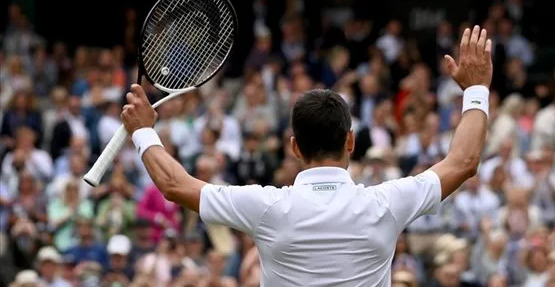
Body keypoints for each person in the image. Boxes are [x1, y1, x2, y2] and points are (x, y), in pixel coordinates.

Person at [117, 25, 493, 286]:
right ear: (350, 142)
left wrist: (144, 130)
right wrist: (475, 89)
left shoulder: (266, 207)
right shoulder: (386, 204)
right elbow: (462, 162)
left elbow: (173, 184)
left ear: (294, 147)